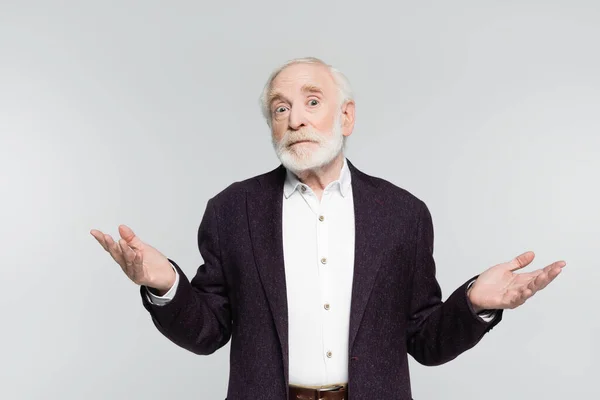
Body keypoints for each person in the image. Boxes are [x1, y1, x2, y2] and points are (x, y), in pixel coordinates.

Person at [91, 57, 566, 400]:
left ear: (346, 116)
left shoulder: (404, 214)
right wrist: (166, 286)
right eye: (280, 109)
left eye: (311, 101)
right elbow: (209, 331)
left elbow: (424, 341)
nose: (295, 118)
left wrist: (474, 305)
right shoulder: (231, 210)